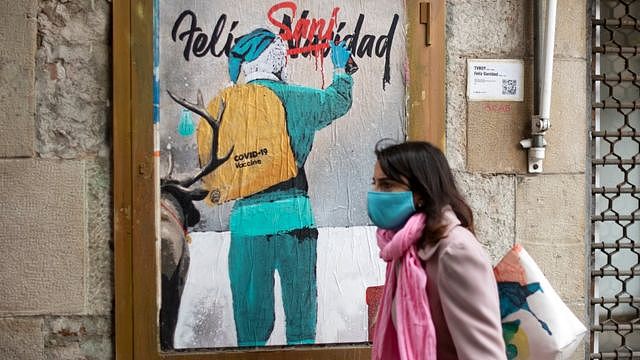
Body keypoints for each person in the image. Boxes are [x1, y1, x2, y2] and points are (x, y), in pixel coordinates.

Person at [209, 29, 355, 346]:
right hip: (295, 218)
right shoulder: (298, 99)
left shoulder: (225, 106)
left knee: (250, 328)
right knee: (301, 320)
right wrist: (340, 68)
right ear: (277, 62)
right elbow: (338, 102)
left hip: (248, 222)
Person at [368, 140, 507, 360]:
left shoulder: (456, 251)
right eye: (374, 183)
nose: (374, 194)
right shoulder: (405, 249)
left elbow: (484, 355)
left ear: (421, 192)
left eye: (387, 185)